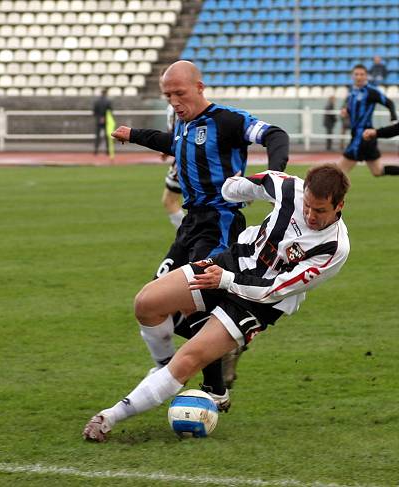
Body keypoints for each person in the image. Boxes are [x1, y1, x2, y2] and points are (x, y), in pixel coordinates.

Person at [83, 163, 351, 442]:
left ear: (339, 205)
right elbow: (233, 188)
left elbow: (275, 289)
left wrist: (226, 281)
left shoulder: (334, 248)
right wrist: (236, 189)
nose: (310, 215)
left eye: (320, 210)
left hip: (258, 303)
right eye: (307, 206)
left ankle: (108, 417)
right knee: (146, 303)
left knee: (187, 360)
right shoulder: (287, 187)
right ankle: (163, 366)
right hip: (231, 262)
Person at [111, 60, 289, 407]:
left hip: (221, 220)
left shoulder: (228, 120)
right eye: (168, 96)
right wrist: (135, 135)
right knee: (155, 304)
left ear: (200, 87)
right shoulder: (184, 123)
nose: (174, 101)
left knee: (195, 300)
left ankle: (216, 390)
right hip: (191, 224)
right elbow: (174, 143)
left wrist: (274, 174)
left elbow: (275, 135)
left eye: (179, 93)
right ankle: (193, 357)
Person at [337, 64, 397, 177]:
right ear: (352, 76)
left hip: (363, 135)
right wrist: (346, 111)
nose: (359, 77)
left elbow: (389, 103)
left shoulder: (371, 91)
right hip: (361, 135)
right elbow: (351, 108)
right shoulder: (352, 92)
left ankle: (326, 190)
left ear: (366, 76)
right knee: (377, 171)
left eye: (362, 74)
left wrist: (393, 118)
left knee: (338, 171)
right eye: (356, 74)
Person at [161, 102, 185, 230]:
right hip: (186, 156)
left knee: (169, 200)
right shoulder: (174, 106)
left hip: (185, 159)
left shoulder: (177, 106)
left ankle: (187, 237)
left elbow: (178, 133)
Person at [93, 88, 112, 156]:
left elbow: (94, 112)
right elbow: (110, 111)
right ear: (106, 93)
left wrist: (99, 117)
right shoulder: (108, 101)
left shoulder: (97, 101)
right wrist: (104, 117)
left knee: (97, 136)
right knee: (107, 136)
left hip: (98, 120)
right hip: (106, 121)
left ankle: (96, 150)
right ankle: (108, 151)